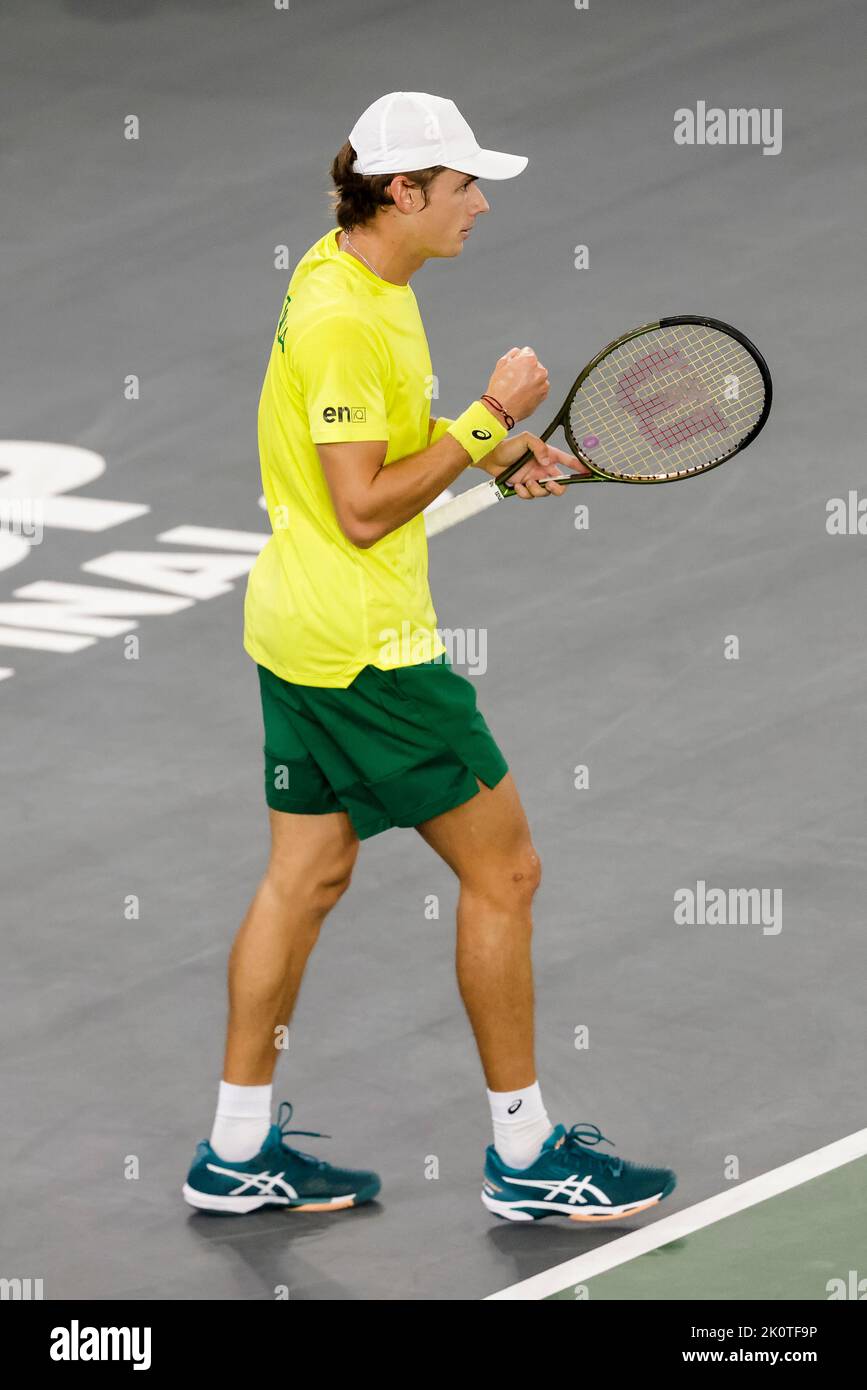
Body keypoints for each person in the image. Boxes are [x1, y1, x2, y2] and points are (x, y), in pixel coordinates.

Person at [182, 92, 676, 1223]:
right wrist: (482, 421)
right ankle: (528, 1156)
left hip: (295, 630)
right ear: (401, 192)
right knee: (505, 872)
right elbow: (361, 509)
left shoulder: (350, 271)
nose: (481, 202)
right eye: (461, 185)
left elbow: (368, 460)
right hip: (370, 655)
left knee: (303, 878)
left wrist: (493, 451)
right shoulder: (349, 320)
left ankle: (234, 1146)